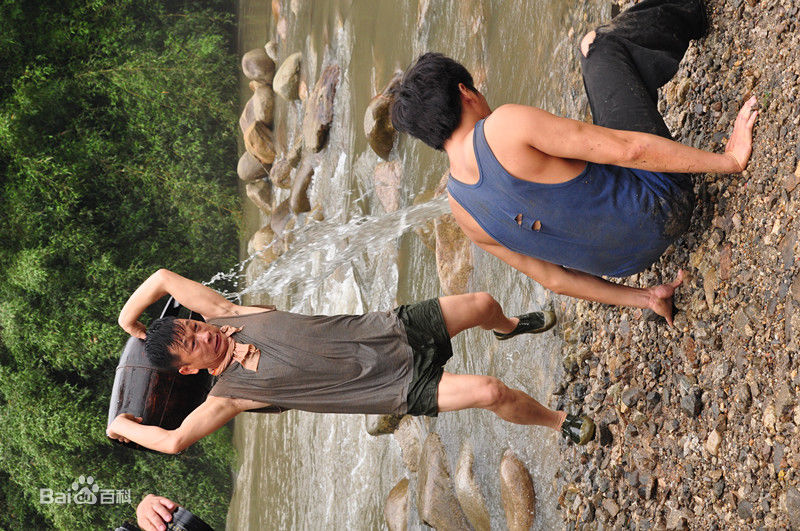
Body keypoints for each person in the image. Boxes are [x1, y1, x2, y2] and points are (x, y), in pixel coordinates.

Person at [390, 0, 758, 325]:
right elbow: (627, 149)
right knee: (597, 47)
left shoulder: (462, 209)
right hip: (663, 199)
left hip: (634, 259)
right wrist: (728, 159)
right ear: (465, 92)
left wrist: (645, 296)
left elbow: (555, 280)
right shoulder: (502, 127)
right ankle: (690, 8)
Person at [107, 269, 595, 452]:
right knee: (491, 392)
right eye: (193, 342)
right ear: (189, 369)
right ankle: (560, 423)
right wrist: (122, 426)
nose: (202, 332)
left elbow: (163, 278)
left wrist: (130, 320)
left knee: (485, 304)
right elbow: (172, 442)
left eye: (194, 325)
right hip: (397, 390)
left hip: (393, 328)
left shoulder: (234, 314)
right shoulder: (232, 396)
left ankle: (509, 329)